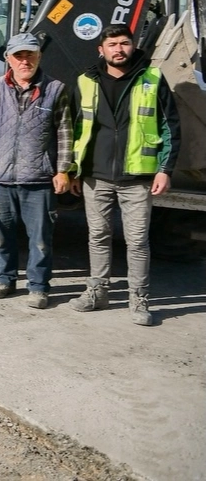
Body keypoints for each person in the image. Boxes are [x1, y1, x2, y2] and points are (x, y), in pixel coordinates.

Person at [68, 25, 180, 326]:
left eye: (124, 43)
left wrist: (165, 170)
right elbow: (75, 127)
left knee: (138, 241)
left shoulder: (152, 78)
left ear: (133, 45)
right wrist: (73, 170)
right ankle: (98, 292)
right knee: (98, 236)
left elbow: (170, 127)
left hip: (138, 176)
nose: (119, 49)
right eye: (112, 44)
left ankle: (139, 299)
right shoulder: (85, 80)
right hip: (95, 175)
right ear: (101, 50)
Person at [0, 32, 73, 309]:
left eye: (30, 55)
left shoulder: (55, 89)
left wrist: (63, 169)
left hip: (38, 178)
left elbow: (64, 132)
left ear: (39, 56)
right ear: (8, 58)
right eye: (19, 55)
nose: (24, 61)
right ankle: (4, 279)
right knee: (2, 233)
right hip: (1, 176)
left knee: (40, 238)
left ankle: (38, 287)